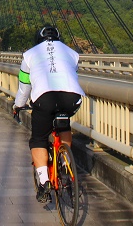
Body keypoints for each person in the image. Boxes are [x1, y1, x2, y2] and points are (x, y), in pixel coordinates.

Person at [13, 24, 84, 203]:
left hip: (45, 99)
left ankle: (44, 182)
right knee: (64, 124)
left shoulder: (29, 55)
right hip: (72, 97)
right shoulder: (72, 53)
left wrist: (18, 106)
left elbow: (24, 87)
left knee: (38, 139)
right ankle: (65, 162)